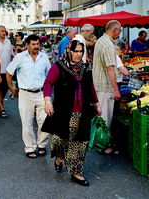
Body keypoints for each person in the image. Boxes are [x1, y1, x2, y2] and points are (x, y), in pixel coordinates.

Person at [42, 40, 101, 187]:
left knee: (79, 143)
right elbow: (48, 83)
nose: (79, 54)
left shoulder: (86, 67)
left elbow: (91, 86)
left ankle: (76, 172)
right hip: (63, 112)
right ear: (69, 51)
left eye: (81, 51)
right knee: (60, 140)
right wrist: (48, 101)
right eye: (76, 51)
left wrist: (97, 103)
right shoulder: (59, 67)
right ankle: (59, 158)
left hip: (83, 112)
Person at [6, 35, 51, 158]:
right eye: (33, 44)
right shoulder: (20, 57)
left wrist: (49, 93)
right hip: (25, 94)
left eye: (37, 44)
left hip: (42, 93)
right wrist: (10, 87)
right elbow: (9, 72)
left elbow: (49, 76)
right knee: (27, 122)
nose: (36, 47)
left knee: (45, 120)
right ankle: (30, 147)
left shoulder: (44, 58)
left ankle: (41, 145)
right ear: (27, 45)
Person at [92, 20, 123, 155]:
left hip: (98, 84)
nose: (120, 33)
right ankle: (102, 145)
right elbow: (110, 69)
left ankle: (102, 142)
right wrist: (116, 89)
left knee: (101, 116)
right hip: (105, 86)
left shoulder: (100, 41)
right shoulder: (109, 45)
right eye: (120, 30)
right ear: (114, 30)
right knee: (105, 118)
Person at [0, 25, 14, 118]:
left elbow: (12, 54)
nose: (4, 33)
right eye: (2, 31)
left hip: (8, 70)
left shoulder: (8, 41)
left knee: (6, 88)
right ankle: (2, 108)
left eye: (5, 31)